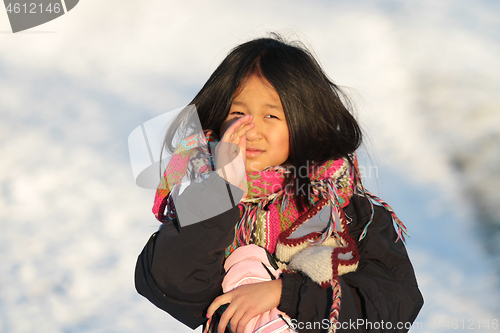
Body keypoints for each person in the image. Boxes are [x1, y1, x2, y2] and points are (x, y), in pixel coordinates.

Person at [135, 34, 424, 333]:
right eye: (237, 113)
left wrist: (284, 293)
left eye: (271, 115)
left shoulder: (348, 208)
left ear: (306, 124)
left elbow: (392, 308)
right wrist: (221, 192)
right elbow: (168, 283)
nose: (251, 130)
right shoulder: (203, 194)